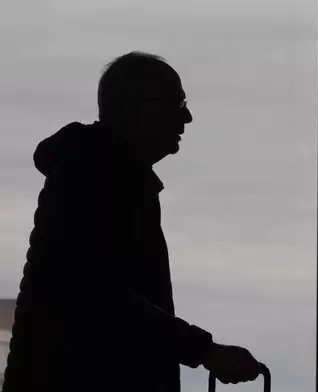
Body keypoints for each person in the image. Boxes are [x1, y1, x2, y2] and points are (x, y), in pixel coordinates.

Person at [2, 52, 261, 392]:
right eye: (178, 102)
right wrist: (203, 350)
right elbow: (96, 295)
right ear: (140, 108)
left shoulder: (97, 174)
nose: (187, 117)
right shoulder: (96, 176)